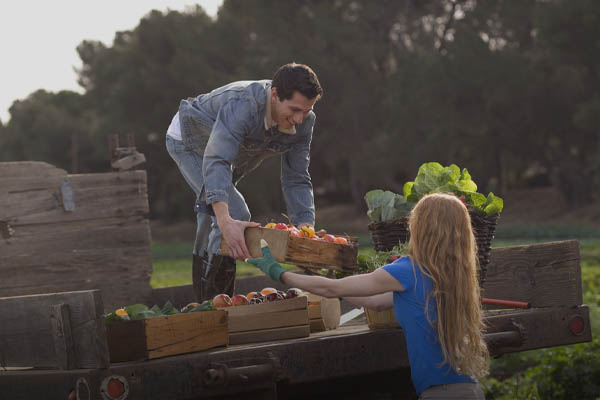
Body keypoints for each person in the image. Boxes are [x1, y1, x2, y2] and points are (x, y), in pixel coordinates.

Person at [248, 193, 489, 399]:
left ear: (423, 228)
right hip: (468, 389)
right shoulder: (451, 277)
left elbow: (332, 290)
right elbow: (376, 302)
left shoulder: (409, 270)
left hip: (441, 393)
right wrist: (340, 287)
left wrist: (279, 273)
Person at [166, 63, 323, 301]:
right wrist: (225, 219)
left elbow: (297, 178)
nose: (300, 119)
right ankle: (216, 304)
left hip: (229, 155)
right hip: (190, 140)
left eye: (307, 110)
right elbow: (217, 159)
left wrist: (305, 226)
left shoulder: (305, 122)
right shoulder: (244, 105)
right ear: (274, 95)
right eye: (294, 110)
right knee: (234, 214)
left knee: (212, 218)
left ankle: (208, 306)